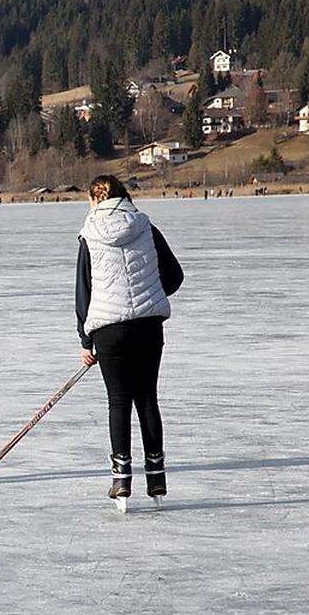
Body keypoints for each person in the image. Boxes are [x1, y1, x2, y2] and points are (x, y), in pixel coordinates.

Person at [75, 174, 183, 511]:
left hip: (110, 331)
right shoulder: (146, 227)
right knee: (147, 399)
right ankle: (157, 475)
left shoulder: (89, 234)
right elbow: (175, 276)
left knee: (118, 401)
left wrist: (85, 339)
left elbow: (83, 290)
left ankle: (121, 480)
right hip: (148, 326)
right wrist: (149, 294)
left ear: (94, 199)